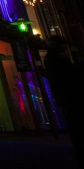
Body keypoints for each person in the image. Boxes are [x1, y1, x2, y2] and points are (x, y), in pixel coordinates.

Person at [45, 36, 84, 166]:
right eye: (60, 44)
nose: (63, 47)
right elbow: (65, 76)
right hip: (70, 97)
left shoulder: (52, 58)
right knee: (75, 124)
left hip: (66, 97)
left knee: (75, 125)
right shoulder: (55, 59)